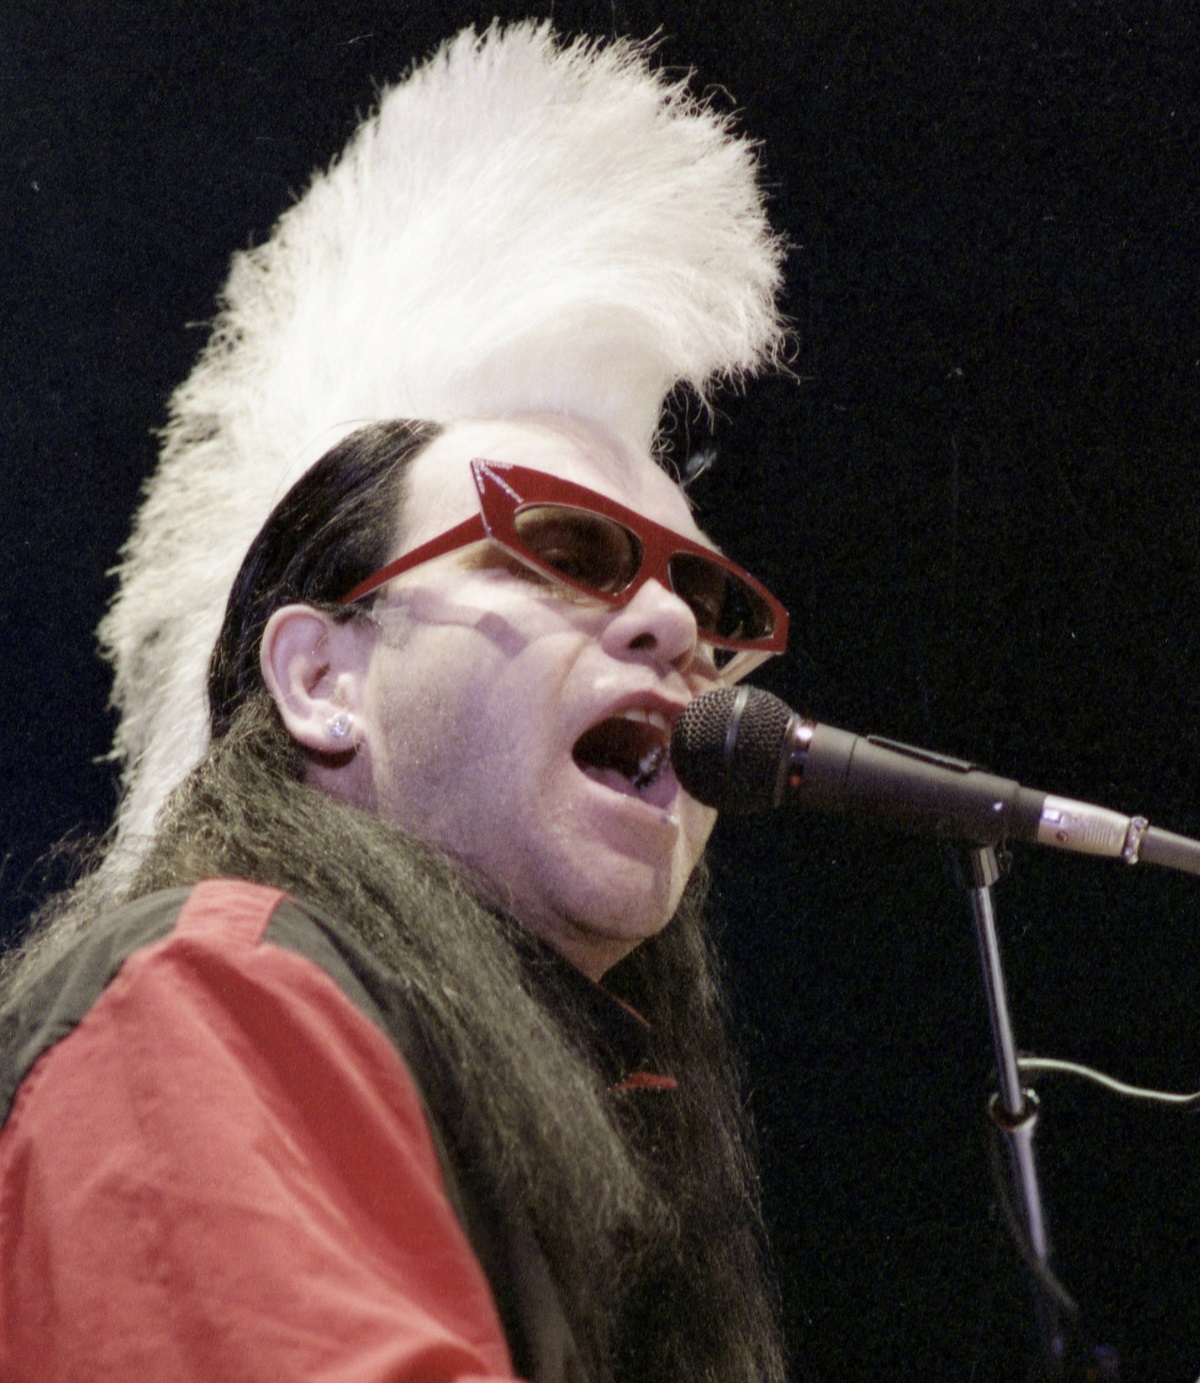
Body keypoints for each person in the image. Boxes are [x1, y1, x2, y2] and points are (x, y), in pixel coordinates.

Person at [0, 23, 790, 1383]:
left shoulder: (611, 1126)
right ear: (322, 681)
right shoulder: (204, 1001)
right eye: (568, 549)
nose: (675, 629)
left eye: (711, 599)